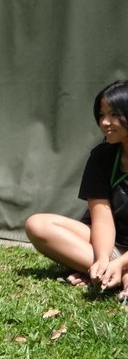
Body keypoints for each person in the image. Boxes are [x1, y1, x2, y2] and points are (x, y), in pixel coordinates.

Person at [25, 81, 128, 291]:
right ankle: (110, 272)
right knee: (37, 225)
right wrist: (102, 259)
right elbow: (102, 217)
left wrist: (122, 263)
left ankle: (114, 271)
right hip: (112, 244)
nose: (104, 122)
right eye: (101, 115)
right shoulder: (101, 156)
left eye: (114, 114)